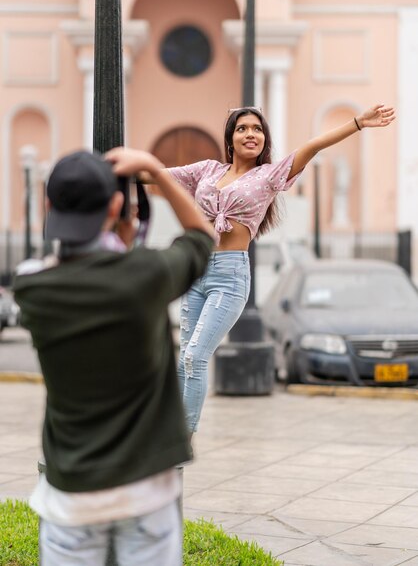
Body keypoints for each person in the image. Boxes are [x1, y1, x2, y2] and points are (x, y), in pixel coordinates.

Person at [13, 147, 215, 566]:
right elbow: (202, 237)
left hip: (72, 496)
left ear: (50, 206)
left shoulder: (32, 287)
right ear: (117, 206)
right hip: (145, 491)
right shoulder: (145, 275)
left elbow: (64, 260)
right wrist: (155, 170)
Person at [160, 103, 395, 435]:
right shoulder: (208, 171)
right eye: (242, 128)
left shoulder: (268, 176)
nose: (251, 134)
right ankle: (169, 434)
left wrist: (357, 123)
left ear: (264, 139)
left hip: (229, 276)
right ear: (230, 139)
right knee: (184, 358)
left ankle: (182, 438)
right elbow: (158, 176)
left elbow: (312, 146)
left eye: (257, 129)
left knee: (196, 356)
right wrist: (113, 167)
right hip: (196, 270)